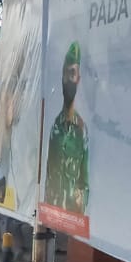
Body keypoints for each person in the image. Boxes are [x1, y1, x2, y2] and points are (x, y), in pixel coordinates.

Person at [44, 42, 89, 215]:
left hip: (71, 218)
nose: (68, 79)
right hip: (52, 214)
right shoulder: (55, 127)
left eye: (73, 73)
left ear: (78, 79)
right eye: (66, 73)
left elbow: (84, 181)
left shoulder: (81, 130)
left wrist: (79, 205)